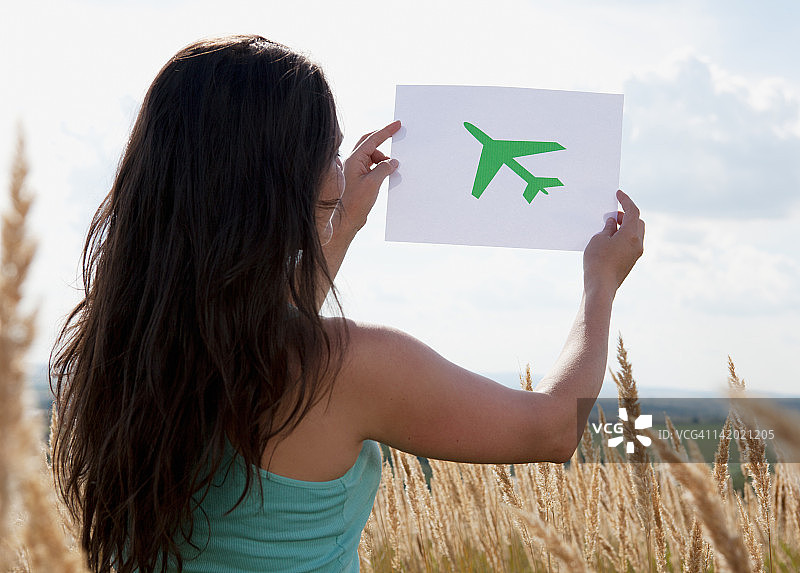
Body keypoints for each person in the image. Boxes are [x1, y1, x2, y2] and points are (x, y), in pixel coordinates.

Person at [50, 35, 644, 573]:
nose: (340, 172)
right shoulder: (349, 366)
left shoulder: (117, 350)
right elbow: (550, 430)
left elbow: (248, 333)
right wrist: (601, 285)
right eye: (329, 154)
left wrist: (340, 226)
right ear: (281, 181)